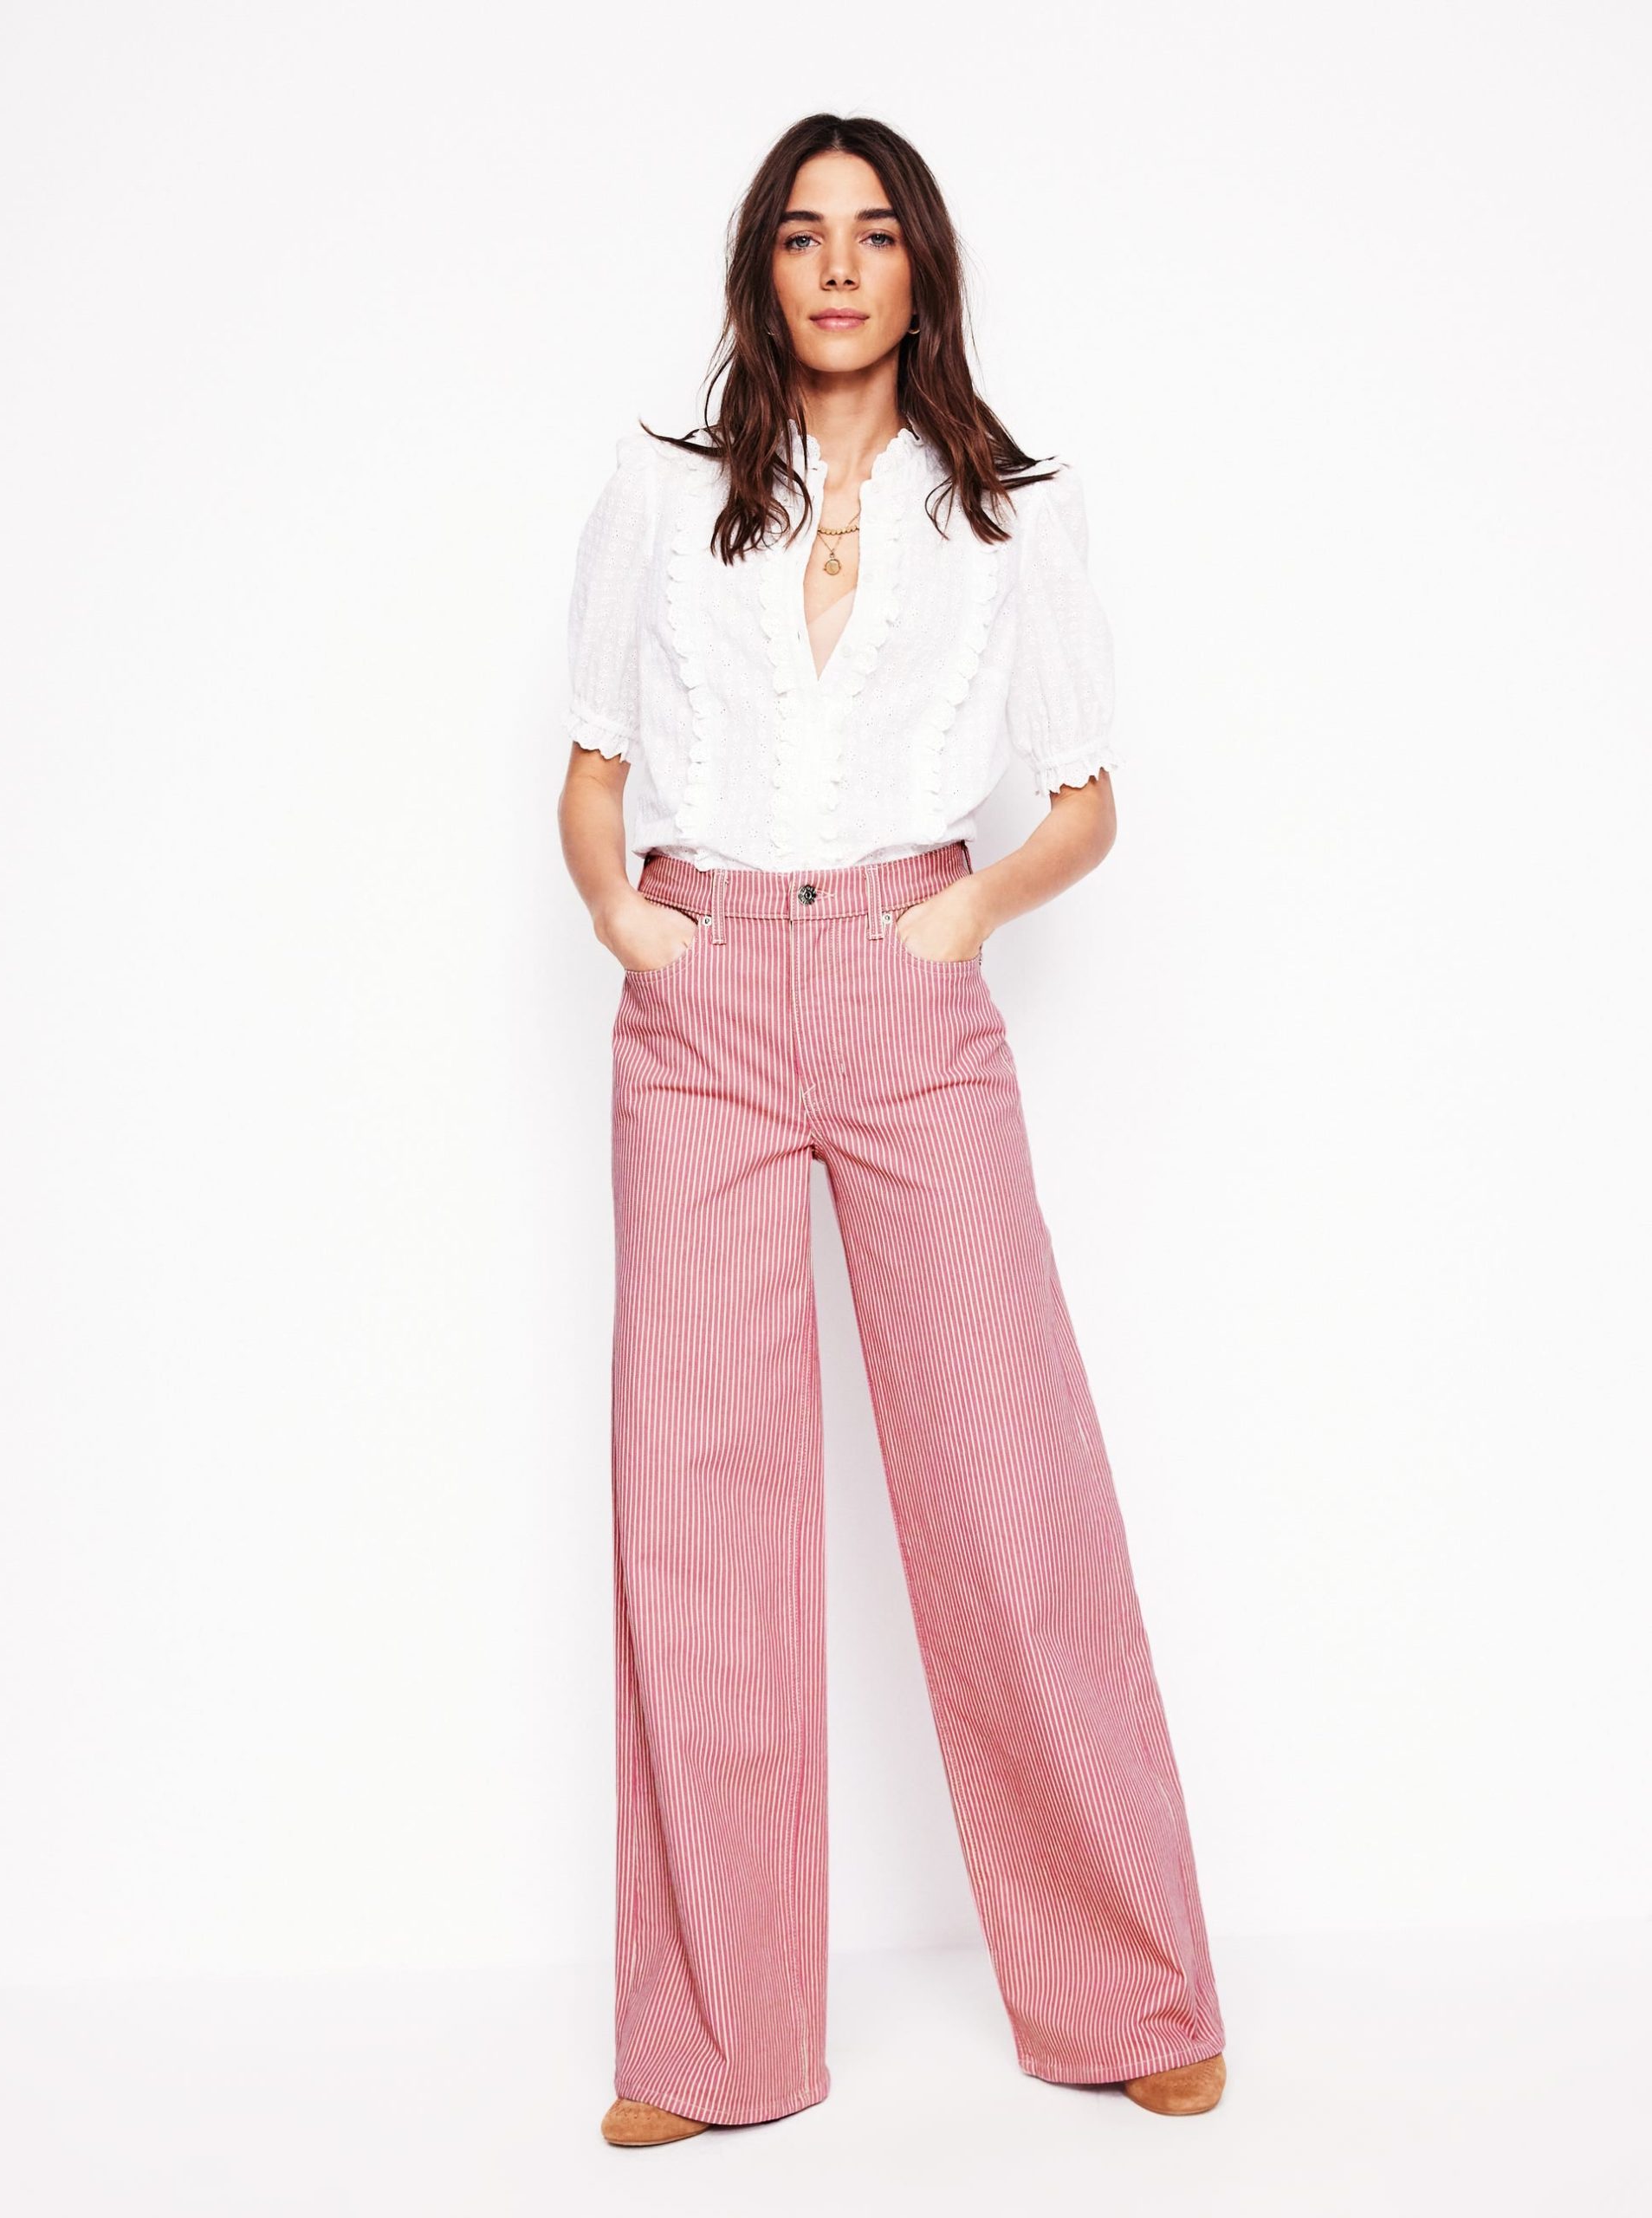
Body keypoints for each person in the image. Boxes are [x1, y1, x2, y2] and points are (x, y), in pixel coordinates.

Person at [557, 111, 1228, 2149]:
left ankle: (1127, 1988)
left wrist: (963, 916)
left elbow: (1086, 801)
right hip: (701, 998)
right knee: (701, 1533)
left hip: (910, 987)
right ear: (760, 272)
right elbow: (590, 771)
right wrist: (630, 925)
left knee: (1009, 1502)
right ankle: (715, 2040)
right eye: (799, 235)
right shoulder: (662, 492)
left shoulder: (1009, 511)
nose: (837, 267)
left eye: (872, 234)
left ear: (921, 268)